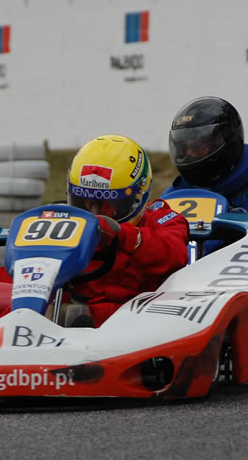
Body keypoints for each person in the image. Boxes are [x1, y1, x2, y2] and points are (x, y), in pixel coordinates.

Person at [65, 134, 190, 327]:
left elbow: (175, 254)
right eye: (85, 203)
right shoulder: (68, 221)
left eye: (107, 205)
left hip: (141, 321)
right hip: (80, 318)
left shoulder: (162, 219)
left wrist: (123, 235)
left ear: (139, 195)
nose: (95, 214)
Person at [161, 96, 248, 213]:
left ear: (227, 141)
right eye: (184, 148)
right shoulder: (172, 196)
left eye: (198, 147)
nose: (189, 154)